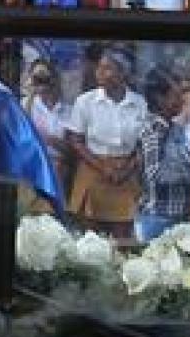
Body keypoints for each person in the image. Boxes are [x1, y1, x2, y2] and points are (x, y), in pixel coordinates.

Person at [65, 49, 146, 237]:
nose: (99, 72)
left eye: (107, 68)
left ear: (123, 73)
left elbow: (144, 144)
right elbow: (75, 141)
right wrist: (102, 167)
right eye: (99, 67)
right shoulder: (85, 101)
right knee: (91, 238)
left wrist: (127, 169)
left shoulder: (139, 103)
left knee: (123, 237)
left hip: (126, 174)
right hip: (93, 170)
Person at [135, 66, 190, 240]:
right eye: (176, 95)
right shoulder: (154, 129)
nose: (182, 101)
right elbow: (156, 174)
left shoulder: (175, 128)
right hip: (159, 220)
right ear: (160, 98)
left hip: (181, 218)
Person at [22, 60, 74, 198]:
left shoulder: (69, 110)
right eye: (36, 77)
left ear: (54, 78)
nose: (40, 80)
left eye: (44, 76)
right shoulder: (25, 105)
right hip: (33, 170)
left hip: (59, 171)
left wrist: (49, 139)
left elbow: (72, 150)